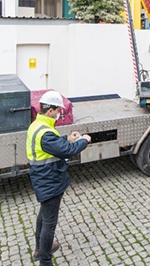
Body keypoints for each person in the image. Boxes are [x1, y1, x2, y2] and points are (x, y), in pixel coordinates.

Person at [26, 91, 91, 265]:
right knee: (49, 223)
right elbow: (67, 151)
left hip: (43, 179)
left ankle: (40, 248)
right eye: (57, 110)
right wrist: (83, 140)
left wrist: (67, 139)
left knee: (43, 216)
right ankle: (45, 260)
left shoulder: (37, 125)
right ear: (50, 111)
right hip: (49, 180)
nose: (59, 113)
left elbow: (53, 145)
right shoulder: (45, 132)